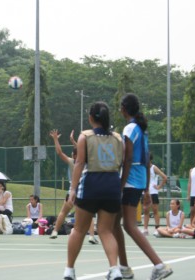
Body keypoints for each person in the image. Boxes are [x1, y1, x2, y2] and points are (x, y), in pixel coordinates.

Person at [114, 94, 173, 280]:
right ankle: (124, 268)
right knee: (118, 224)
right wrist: (146, 188)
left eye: (120, 106)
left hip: (130, 181)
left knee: (128, 226)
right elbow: (147, 160)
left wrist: (121, 184)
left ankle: (158, 264)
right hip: (139, 181)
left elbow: (128, 158)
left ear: (124, 108)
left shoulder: (130, 128)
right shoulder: (142, 129)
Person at [63, 101, 124, 280]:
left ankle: (69, 270)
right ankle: (114, 269)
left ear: (90, 118)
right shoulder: (118, 138)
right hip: (112, 184)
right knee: (106, 230)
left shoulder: (85, 136)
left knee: (79, 229)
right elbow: (121, 163)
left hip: (91, 184)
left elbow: (80, 163)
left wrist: (73, 189)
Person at [49, 129, 98, 244]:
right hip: (83, 191)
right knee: (88, 215)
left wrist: (55, 139)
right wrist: (73, 141)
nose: (71, 154)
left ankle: (55, 231)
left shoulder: (72, 162)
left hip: (72, 191)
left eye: (72, 153)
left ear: (74, 154)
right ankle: (91, 236)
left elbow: (59, 152)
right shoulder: (86, 163)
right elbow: (83, 151)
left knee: (63, 212)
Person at [142, 153, 167, 237]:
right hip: (145, 192)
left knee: (155, 210)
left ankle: (157, 229)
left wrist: (159, 187)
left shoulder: (154, 168)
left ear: (150, 159)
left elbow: (164, 177)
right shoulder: (142, 168)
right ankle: (145, 229)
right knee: (146, 211)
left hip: (153, 192)